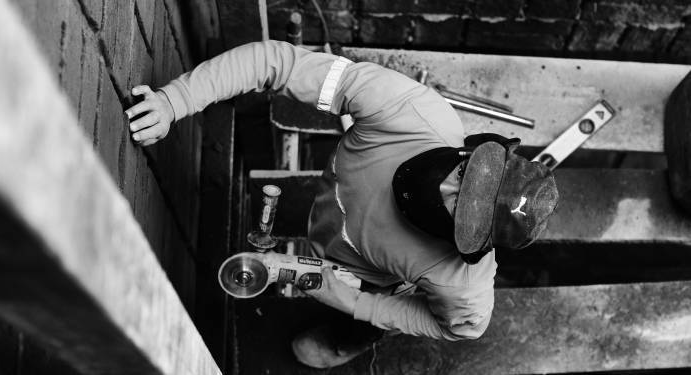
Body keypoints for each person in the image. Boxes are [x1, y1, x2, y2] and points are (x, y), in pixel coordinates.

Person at [125, 40, 559, 368]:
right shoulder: (407, 109)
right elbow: (278, 63)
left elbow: (463, 328)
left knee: (330, 338)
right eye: (465, 176)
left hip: (367, 282)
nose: (445, 189)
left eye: (461, 213)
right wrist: (174, 101)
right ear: (475, 152)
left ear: (471, 242)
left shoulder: (458, 281)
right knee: (317, 214)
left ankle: (345, 341)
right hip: (331, 208)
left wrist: (359, 307)